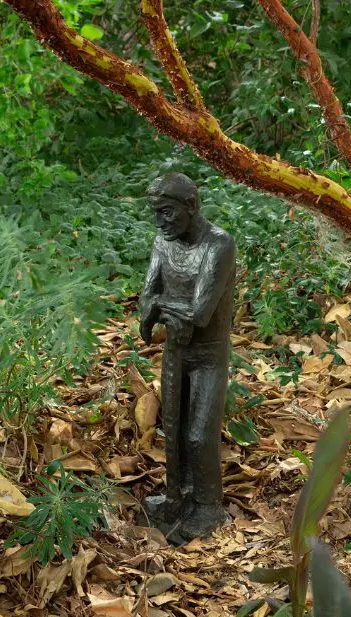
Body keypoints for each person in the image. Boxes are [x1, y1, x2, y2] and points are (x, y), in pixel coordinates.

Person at [138, 172, 236, 542]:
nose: (160, 222)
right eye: (156, 213)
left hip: (209, 354)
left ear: (191, 207)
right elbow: (146, 295)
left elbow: (200, 313)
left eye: (167, 212)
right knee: (174, 429)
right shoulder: (163, 242)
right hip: (176, 349)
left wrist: (158, 308)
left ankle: (209, 507)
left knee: (198, 435)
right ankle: (177, 497)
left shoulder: (219, 245)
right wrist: (154, 308)